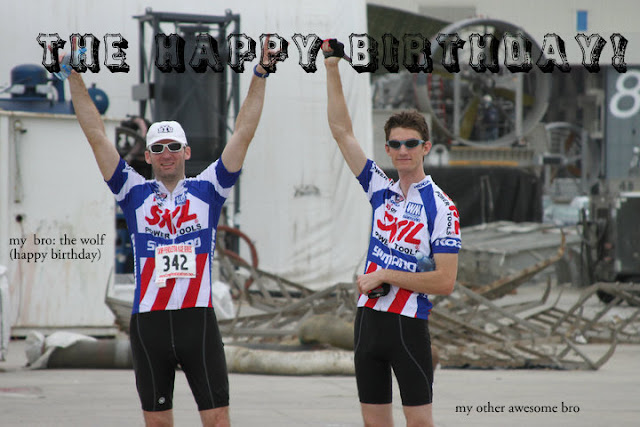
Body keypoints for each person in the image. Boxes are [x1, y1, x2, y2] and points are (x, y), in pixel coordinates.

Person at [66, 40, 274, 427]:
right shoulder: (132, 192)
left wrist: (260, 73)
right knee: (158, 423)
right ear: (147, 156)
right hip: (150, 324)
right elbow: (96, 135)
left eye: (173, 146)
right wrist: (74, 76)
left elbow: (243, 133)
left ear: (186, 152)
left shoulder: (208, 189)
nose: (166, 153)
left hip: (198, 322)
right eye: (158, 147)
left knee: (217, 420)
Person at [322, 39, 461, 427]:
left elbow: (445, 281)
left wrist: (385, 274)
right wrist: (332, 68)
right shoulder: (380, 190)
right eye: (396, 144)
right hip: (368, 322)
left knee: (419, 423)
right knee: (374, 423)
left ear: (425, 147)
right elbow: (341, 131)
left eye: (411, 144)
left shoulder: (441, 206)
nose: (403, 150)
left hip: (408, 327)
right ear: (388, 148)